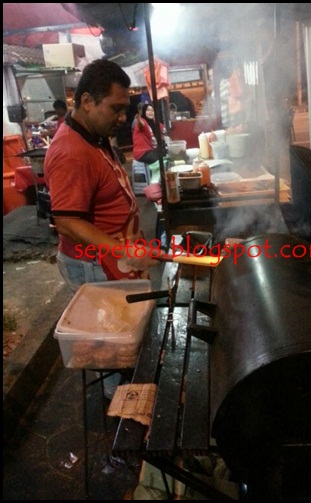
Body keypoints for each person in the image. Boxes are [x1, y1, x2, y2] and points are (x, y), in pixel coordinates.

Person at [44, 59, 160, 398]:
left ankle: (126, 391)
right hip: (93, 264)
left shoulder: (94, 136)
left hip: (111, 260)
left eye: (126, 108)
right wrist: (123, 249)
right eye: (116, 108)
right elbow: (66, 220)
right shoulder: (71, 151)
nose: (123, 117)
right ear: (86, 102)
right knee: (110, 343)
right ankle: (119, 415)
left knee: (124, 332)